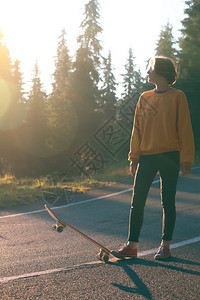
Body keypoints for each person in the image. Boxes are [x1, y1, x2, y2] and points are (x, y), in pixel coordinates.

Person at [112, 56, 195, 260]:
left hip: (170, 155)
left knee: (167, 202)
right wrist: (134, 157)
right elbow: (137, 129)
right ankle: (132, 246)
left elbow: (185, 128)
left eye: (150, 69)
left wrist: (186, 159)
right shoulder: (144, 97)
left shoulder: (178, 96)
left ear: (161, 72)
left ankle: (165, 246)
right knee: (137, 200)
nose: (148, 72)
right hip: (147, 156)